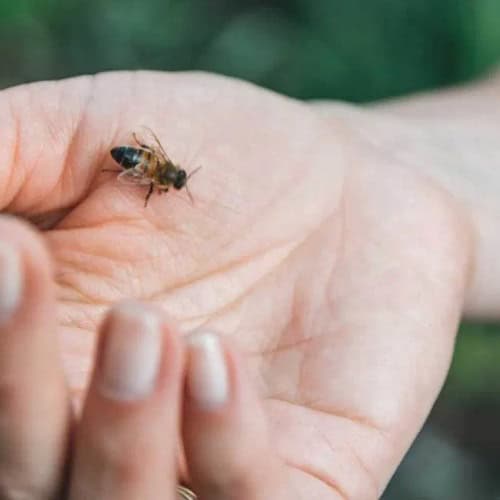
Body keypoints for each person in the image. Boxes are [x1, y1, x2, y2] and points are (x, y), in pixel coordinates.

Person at [0, 68, 497, 499]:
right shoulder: (155, 171)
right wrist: (370, 165)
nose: (168, 182)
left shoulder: (153, 169)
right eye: (171, 180)